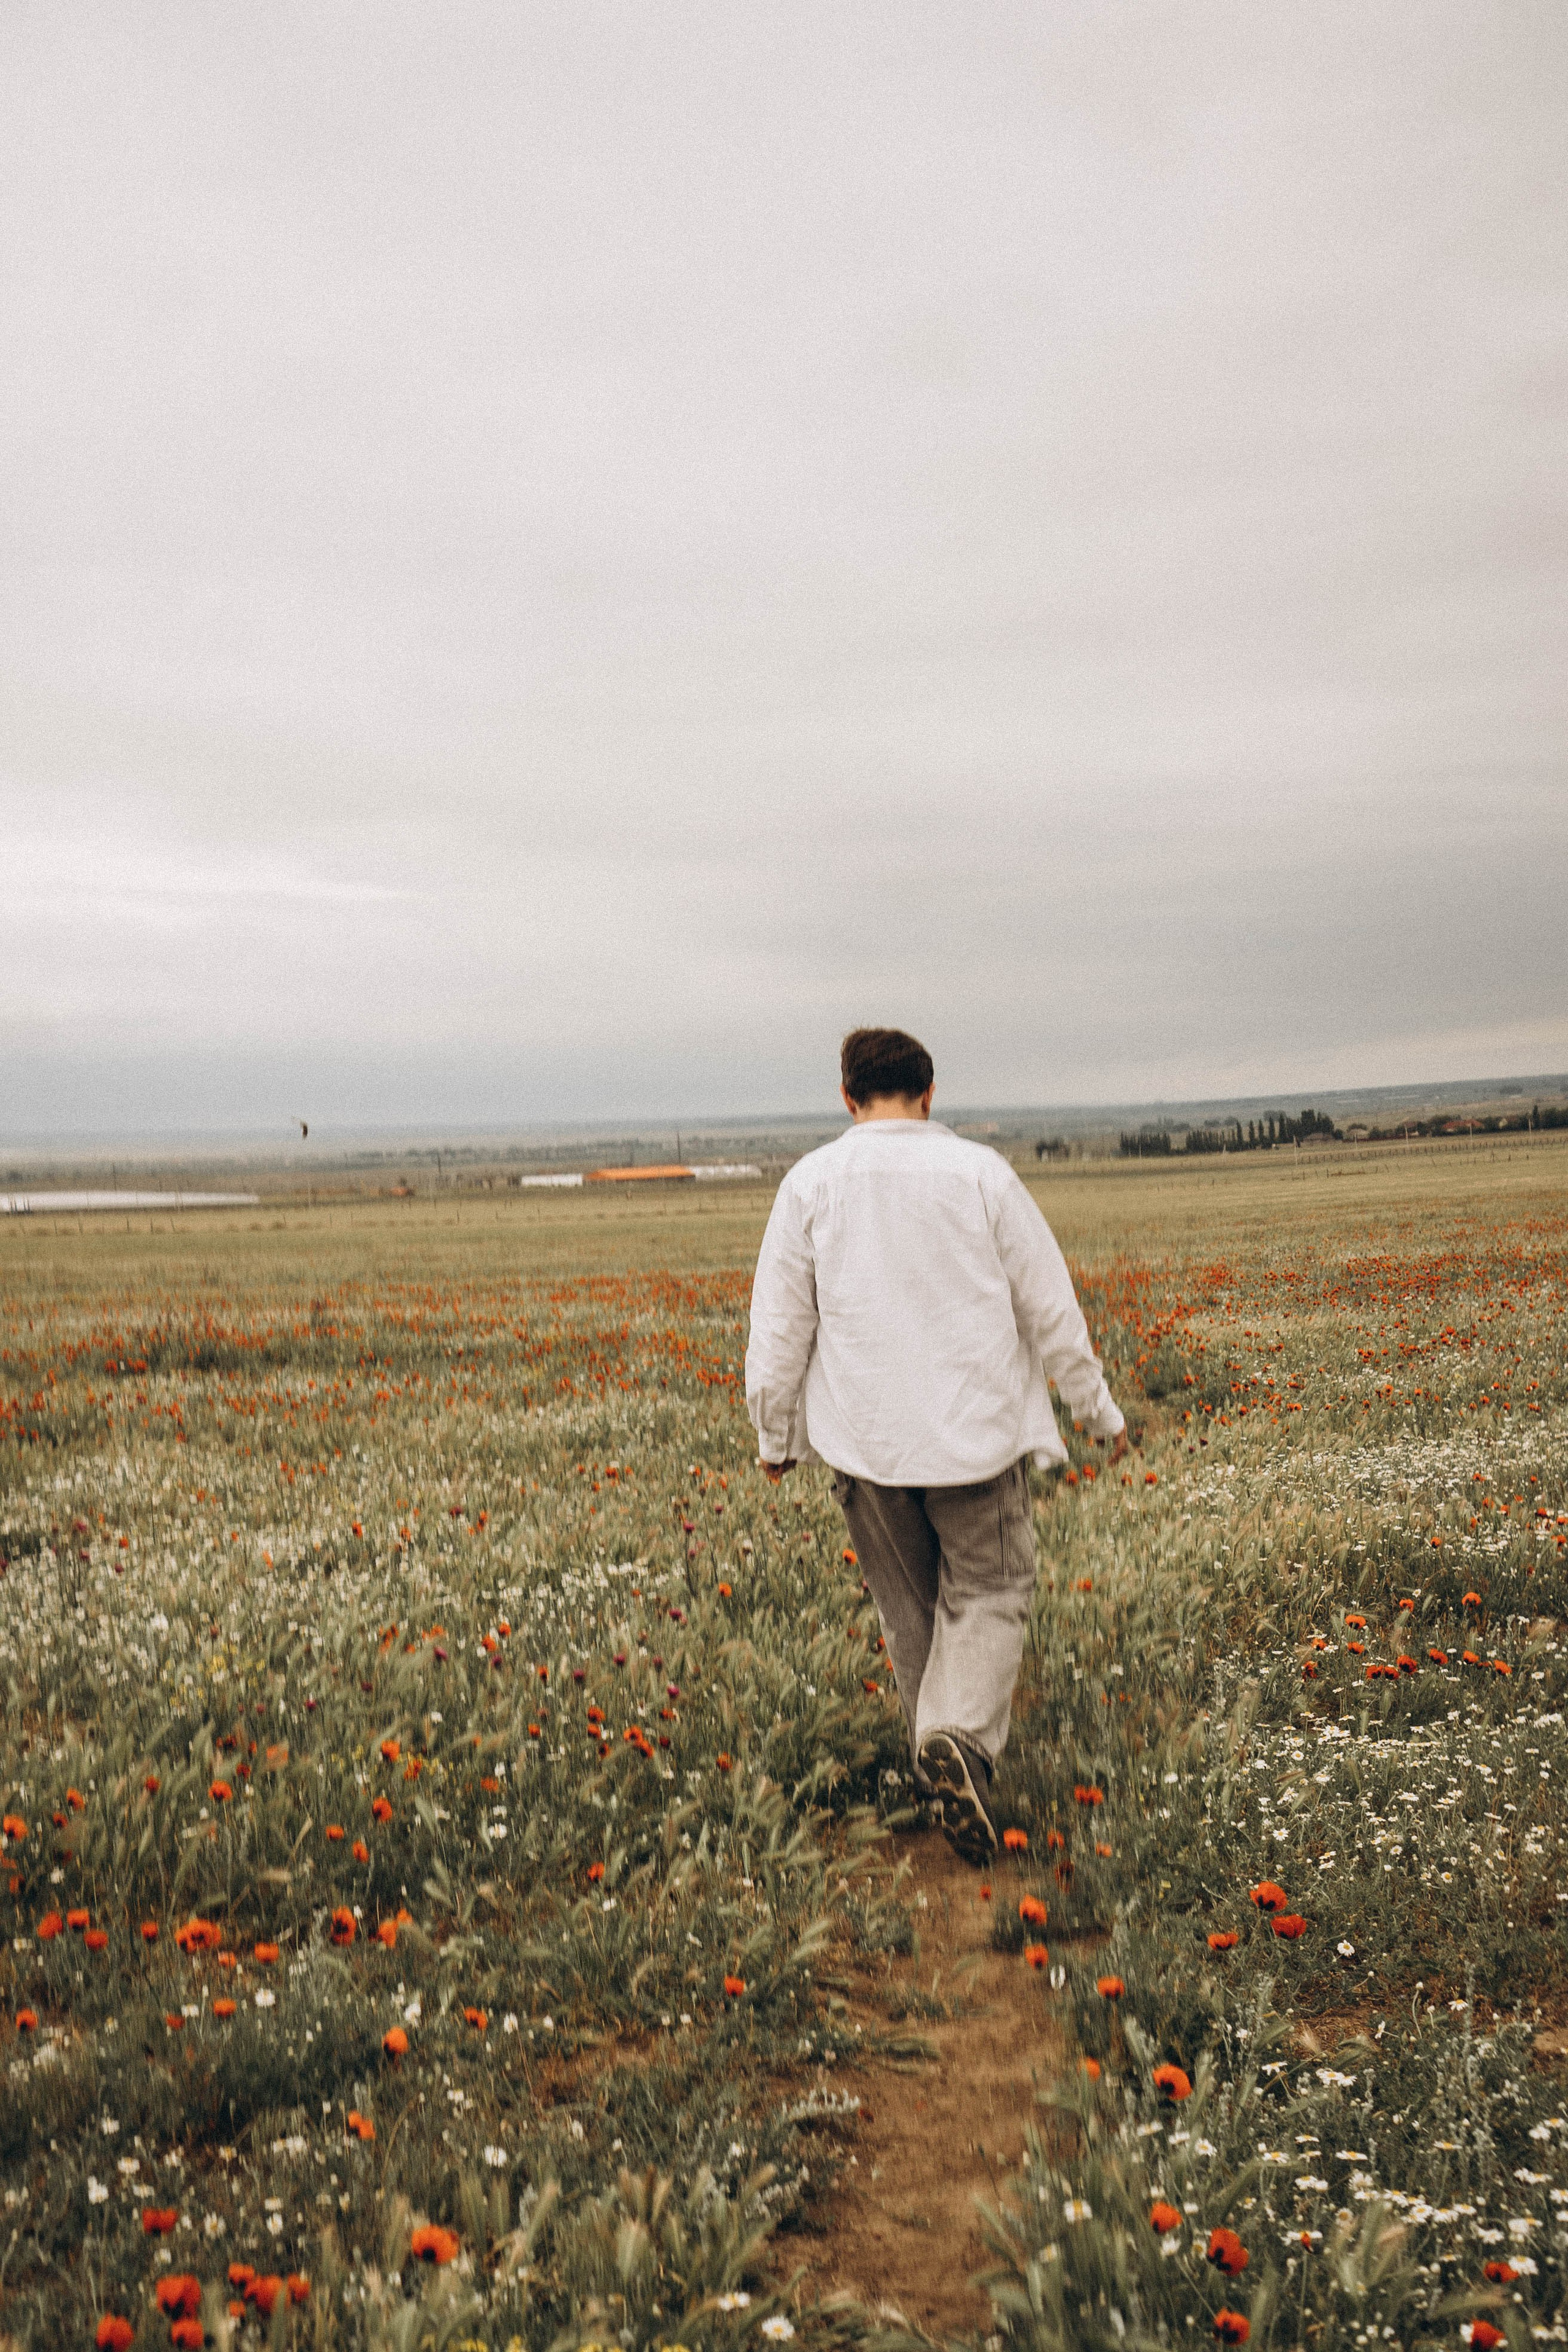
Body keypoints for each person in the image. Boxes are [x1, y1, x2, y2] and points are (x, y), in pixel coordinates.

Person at [744, 1026, 1128, 1863]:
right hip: (975, 1437)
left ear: (848, 1097)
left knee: (910, 1612)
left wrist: (775, 1436)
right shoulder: (981, 1174)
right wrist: (1096, 1411)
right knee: (990, 1590)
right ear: (929, 1092)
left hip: (865, 1444)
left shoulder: (811, 1183)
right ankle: (957, 1742)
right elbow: (1049, 1306)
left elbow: (779, 1330)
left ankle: (943, 1775)